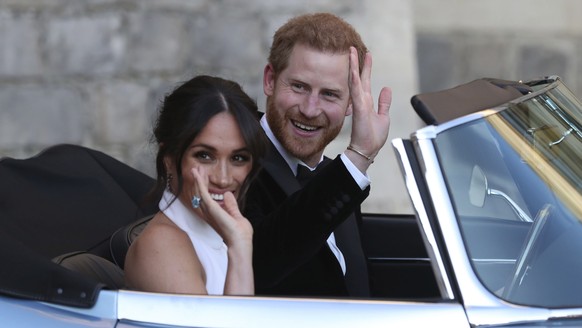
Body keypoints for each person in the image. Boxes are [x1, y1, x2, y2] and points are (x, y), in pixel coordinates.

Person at [243, 12, 392, 297]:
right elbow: (260, 265)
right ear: (270, 80)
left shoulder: (335, 176)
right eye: (299, 87)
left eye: (330, 95)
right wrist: (359, 156)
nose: (310, 109)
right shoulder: (235, 162)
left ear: (351, 104)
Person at [124, 75, 268, 295]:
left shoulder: (218, 235)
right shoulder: (162, 245)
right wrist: (239, 248)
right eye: (204, 156)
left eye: (238, 158)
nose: (222, 178)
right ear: (169, 159)